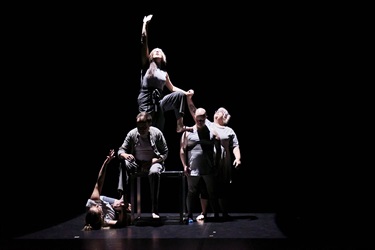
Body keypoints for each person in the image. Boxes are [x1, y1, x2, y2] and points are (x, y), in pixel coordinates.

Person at [187, 96, 241, 221]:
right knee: (205, 188)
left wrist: (238, 158)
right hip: (208, 161)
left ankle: (224, 212)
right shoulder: (208, 124)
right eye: (216, 111)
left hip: (222, 162)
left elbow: (235, 146)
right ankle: (204, 212)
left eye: (219, 111)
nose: (216, 112)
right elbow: (194, 111)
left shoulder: (229, 130)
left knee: (222, 187)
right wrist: (189, 98)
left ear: (224, 116)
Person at [139, 14, 194, 133]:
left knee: (178, 96)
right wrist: (145, 23)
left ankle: (180, 125)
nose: (157, 51)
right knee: (148, 129)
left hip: (159, 102)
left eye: (160, 51)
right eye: (155, 51)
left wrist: (186, 94)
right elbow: (143, 40)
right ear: (151, 56)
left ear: (163, 57)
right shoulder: (146, 66)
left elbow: (172, 88)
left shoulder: (164, 73)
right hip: (146, 100)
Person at [117, 111, 168, 219]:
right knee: (124, 163)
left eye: (144, 127)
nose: (141, 130)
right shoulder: (132, 134)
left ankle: (154, 208)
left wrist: (154, 161)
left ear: (149, 124)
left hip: (153, 163)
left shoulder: (157, 133)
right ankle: (123, 197)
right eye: (139, 128)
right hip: (137, 163)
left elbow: (165, 153)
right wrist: (125, 155)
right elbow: (121, 150)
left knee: (154, 172)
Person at [180, 107, 221, 223]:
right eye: (198, 119)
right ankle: (189, 215)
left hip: (208, 168)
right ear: (195, 118)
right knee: (191, 192)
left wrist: (216, 164)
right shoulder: (188, 133)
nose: (200, 121)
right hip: (193, 168)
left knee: (212, 191)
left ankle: (216, 214)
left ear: (205, 118)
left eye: (202, 119)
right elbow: (182, 150)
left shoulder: (212, 133)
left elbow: (218, 150)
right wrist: (184, 165)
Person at [83, 149, 131, 231]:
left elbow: (99, 182)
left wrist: (106, 162)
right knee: (128, 207)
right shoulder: (105, 221)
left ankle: (123, 170)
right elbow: (120, 223)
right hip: (113, 210)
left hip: (105, 201)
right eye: (97, 208)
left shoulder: (92, 202)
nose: (97, 205)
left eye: (95, 206)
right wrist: (122, 209)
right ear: (101, 216)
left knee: (122, 201)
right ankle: (122, 203)